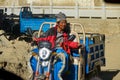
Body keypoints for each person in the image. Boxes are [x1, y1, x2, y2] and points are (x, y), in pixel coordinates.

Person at [32, 12, 83, 80]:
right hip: (50, 50)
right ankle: (35, 74)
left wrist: (77, 45)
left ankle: (58, 76)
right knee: (33, 53)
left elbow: (68, 43)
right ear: (57, 23)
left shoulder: (65, 33)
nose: (64, 24)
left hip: (60, 50)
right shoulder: (51, 31)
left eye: (65, 22)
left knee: (63, 57)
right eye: (62, 22)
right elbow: (43, 38)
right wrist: (36, 40)